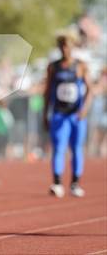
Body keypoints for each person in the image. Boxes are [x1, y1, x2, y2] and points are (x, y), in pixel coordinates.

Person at [43, 34, 93, 198]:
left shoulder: (80, 66)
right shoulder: (53, 67)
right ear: (59, 48)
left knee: (76, 148)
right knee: (59, 147)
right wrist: (45, 113)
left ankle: (75, 183)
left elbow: (90, 90)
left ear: (72, 47)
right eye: (62, 46)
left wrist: (84, 109)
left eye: (67, 46)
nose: (65, 49)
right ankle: (57, 183)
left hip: (76, 115)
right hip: (59, 114)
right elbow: (48, 91)